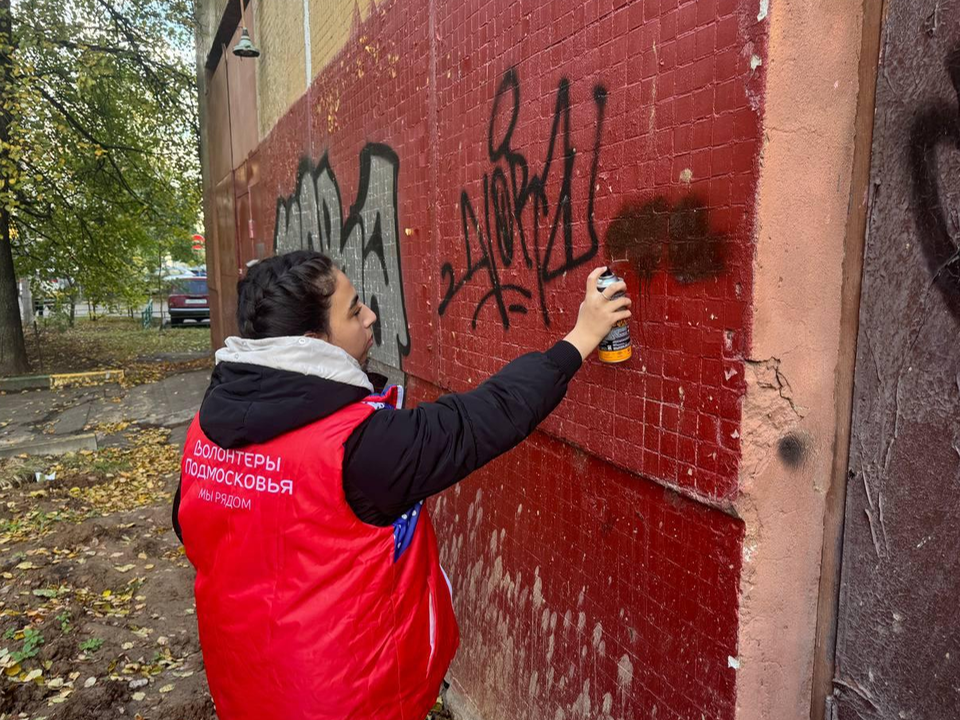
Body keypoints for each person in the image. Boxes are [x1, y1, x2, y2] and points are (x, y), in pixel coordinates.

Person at [173, 250, 631, 720]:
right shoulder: (356, 448)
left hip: (244, 689)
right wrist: (581, 338)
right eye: (353, 311)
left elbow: (197, 530)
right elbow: (481, 419)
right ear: (314, 341)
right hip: (346, 702)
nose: (371, 315)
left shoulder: (205, 432)